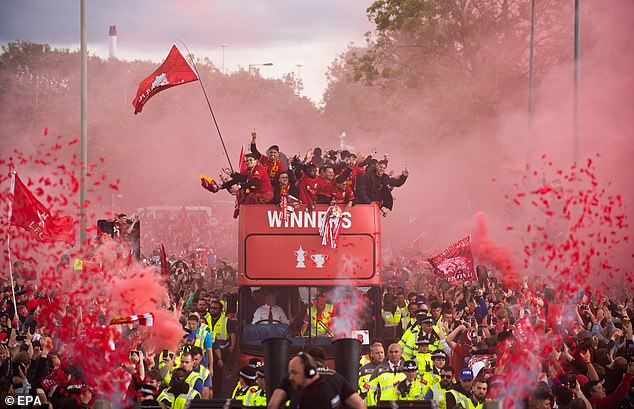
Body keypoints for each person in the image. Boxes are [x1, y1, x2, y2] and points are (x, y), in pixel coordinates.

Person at [286, 352, 366, 409]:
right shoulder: (336, 377)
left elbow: (274, 403)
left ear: (309, 370)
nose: (290, 378)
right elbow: (360, 405)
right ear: (324, 362)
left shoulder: (308, 397)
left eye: (294, 373)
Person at [204, 299, 236, 397]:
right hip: (207, 349)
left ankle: (216, 395)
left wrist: (233, 346)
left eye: (215, 308)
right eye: (211, 308)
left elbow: (232, 334)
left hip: (221, 350)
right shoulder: (205, 318)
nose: (213, 310)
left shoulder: (226, 320)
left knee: (217, 375)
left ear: (220, 310)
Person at [358, 342, 385, 406]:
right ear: (372, 354)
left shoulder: (390, 368)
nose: (380, 355)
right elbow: (359, 386)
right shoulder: (364, 369)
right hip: (370, 404)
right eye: (377, 353)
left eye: (381, 352)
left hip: (386, 404)